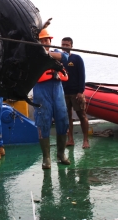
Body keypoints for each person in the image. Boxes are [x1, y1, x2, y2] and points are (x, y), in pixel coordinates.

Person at [33, 28, 70, 169]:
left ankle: (61, 154)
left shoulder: (57, 53)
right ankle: (46, 158)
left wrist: (47, 53)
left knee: (62, 119)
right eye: (41, 41)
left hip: (57, 90)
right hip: (41, 92)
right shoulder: (33, 56)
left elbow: (65, 58)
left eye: (46, 40)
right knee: (43, 122)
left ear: (50, 40)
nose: (44, 42)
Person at [60, 37, 90, 149]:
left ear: (71, 46)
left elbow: (82, 75)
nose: (64, 46)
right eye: (63, 44)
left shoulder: (77, 58)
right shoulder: (59, 59)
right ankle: (70, 139)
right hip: (63, 93)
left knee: (82, 115)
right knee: (67, 117)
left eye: (67, 45)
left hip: (76, 93)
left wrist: (80, 91)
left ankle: (86, 140)